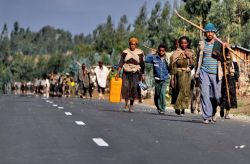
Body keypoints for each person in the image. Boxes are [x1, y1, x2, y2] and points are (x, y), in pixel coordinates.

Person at [195, 23, 224, 124]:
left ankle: (213, 112)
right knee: (205, 94)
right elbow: (198, 58)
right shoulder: (201, 44)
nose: (210, 33)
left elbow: (225, 56)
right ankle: (206, 116)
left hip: (216, 73)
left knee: (216, 96)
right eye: (208, 32)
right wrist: (197, 73)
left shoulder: (219, 44)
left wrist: (225, 47)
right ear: (205, 33)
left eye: (212, 32)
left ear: (214, 33)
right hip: (204, 72)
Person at [117, 37, 145, 113]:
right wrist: (118, 73)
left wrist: (143, 74)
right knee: (126, 87)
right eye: (131, 44)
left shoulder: (139, 53)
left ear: (136, 45)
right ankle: (126, 103)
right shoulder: (125, 52)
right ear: (129, 44)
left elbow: (142, 64)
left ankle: (131, 106)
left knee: (134, 88)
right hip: (126, 71)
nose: (133, 46)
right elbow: (121, 63)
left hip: (136, 72)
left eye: (134, 44)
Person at [170, 36, 194, 116]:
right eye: (182, 43)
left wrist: (189, 58)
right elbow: (173, 66)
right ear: (179, 44)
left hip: (187, 74)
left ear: (187, 43)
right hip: (178, 74)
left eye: (185, 43)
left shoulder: (190, 52)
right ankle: (177, 107)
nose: (184, 44)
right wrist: (172, 79)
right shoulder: (176, 53)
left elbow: (193, 65)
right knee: (178, 90)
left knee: (185, 91)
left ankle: (182, 108)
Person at [145, 44, 169, 114]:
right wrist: (152, 53)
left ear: (165, 51)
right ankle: (158, 107)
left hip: (164, 79)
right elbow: (146, 59)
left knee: (162, 93)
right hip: (156, 80)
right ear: (158, 51)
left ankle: (162, 109)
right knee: (157, 95)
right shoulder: (154, 58)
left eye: (163, 51)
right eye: (160, 51)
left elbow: (170, 67)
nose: (161, 52)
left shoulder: (167, 58)